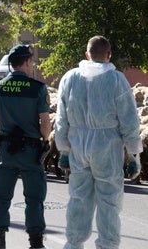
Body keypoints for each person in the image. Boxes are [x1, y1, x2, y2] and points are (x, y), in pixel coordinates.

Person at [54, 35, 143, 249]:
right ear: (109, 54)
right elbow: (129, 120)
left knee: (78, 198)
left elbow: (61, 118)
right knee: (109, 200)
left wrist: (64, 150)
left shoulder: (70, 78)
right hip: (107, 147)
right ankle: (107, 245)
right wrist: (133, 154)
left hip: (78, 147)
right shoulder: (116, 80)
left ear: (87, 54)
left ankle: (73, 244)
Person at [0, 44, 51, 249]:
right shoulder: (38, 88)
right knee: (34, 198)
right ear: (26, 62)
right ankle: (35, 244)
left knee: (1, 198)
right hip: (32, 152)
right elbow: (45, 124)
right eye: (31, 61)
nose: (32, 65)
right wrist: (45, 138)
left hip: (6, 151)